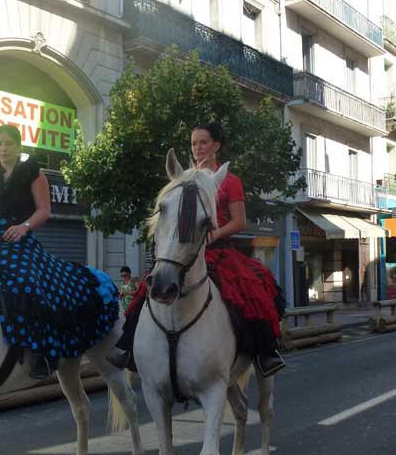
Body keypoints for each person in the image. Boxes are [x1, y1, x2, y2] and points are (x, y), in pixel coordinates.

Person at [110, 122, 285, 377]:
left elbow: (239, 221)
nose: (198, 148)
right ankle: (126, 346)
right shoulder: (183, 179)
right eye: (194, 143)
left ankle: (265, 352)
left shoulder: (230, 181)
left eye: (203, 142)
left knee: (250, 292)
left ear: (216, 145)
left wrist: (214, 234)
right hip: (183, 251)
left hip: (218, 249)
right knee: (143, 294)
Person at [0, 124, 119, 380]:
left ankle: (43, 353)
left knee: (26, 284)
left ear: (19, 146)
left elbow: (43, 211)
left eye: (9, 144)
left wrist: (23, 227)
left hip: (20, 243)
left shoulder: (33, 174)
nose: (3, 149)